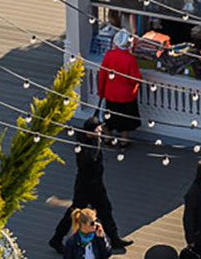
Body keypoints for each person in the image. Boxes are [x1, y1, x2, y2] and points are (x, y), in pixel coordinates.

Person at [49, 117, 133, 253]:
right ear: (90, 131)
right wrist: (97, 141)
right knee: (73, 214)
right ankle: (57, 239)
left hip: (97, 184)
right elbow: (88, 159)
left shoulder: (94, 139)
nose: (101, 130)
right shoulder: (82, 145)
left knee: (106, 210)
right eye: (98, 128)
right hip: (85, 186)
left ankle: (115, 238)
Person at [96, 29, 142, 148]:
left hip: (110, 94)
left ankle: (107, 139)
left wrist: (101, 92)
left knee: (109, 119)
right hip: (126, 96)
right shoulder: (130, 59)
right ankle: (123, 142)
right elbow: (134, 79)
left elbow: (102, 75)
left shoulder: (109, 55)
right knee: (125, 121)